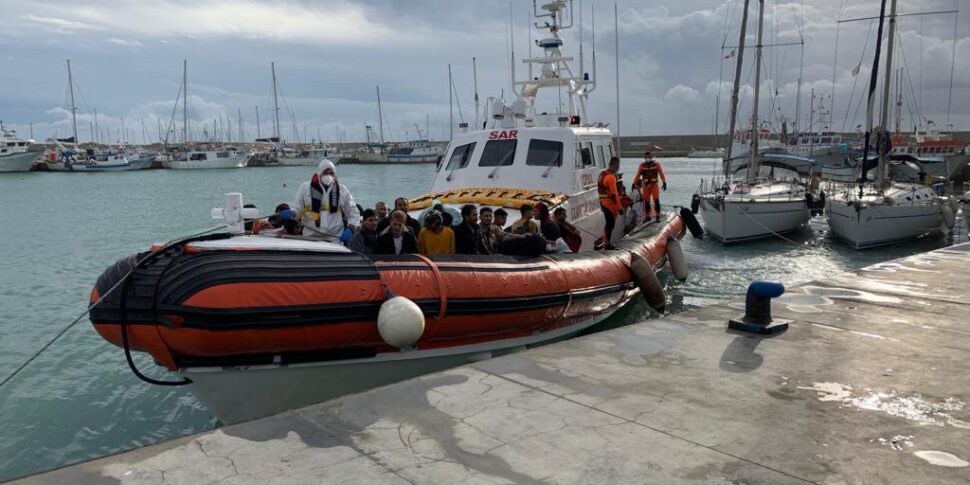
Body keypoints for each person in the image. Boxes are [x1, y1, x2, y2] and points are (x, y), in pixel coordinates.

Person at [292, 159, 361, 241]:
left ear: (335, 174)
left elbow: (353, 212)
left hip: (335, 238)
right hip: (310, 237)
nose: (328, 175)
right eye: (325, 173)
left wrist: (350, 229)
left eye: (331, 173)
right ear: (319, 174)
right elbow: (297, 209)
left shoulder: (342, 190)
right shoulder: (305, 188)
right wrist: (291, 212)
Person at [632, 151, 667, 222]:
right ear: (644, 158)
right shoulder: (642, 165)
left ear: (651, 157)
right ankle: (647, 216)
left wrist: (664, 182)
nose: (647, 158)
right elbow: (637, 175)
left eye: (649, 157)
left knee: (656, 200)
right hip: (645, 185)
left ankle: (657, 216)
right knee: (646, 201)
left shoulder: (656, 164)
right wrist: (634, 183)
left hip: (654, 185)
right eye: (646, 157)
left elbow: (661, 174)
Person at [598, 156, 622, 249]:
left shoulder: (602, 174)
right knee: (610, 224)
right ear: (616, 165)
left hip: (603, 202)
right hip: (610, 204)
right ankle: (607, 244)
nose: (618, 167)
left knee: (608, 224)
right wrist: (620, 207)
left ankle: (606, 242)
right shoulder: (611, 177)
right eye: (618, 165)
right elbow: (614, 194)